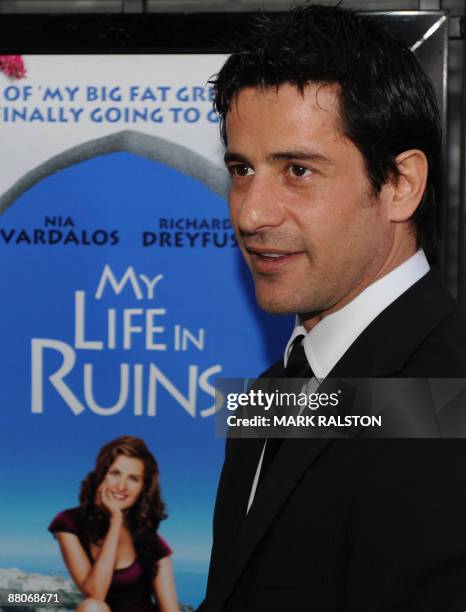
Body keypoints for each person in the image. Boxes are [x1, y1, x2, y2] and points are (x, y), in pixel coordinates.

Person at [199, 4, 466, 611]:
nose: (250, 213)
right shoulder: (276, 387)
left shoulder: (450, 405)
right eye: (241, 170)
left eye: (297, 170)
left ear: (400, 185)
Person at [49, 436, 178, 612]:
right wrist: (115, 522)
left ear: (143, 488)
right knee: (92, 607)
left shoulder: (153, 542)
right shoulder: (69, 522)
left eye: (134, 478)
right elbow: (95, 593)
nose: (121, 486)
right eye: (115, 473)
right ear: (101, 476)